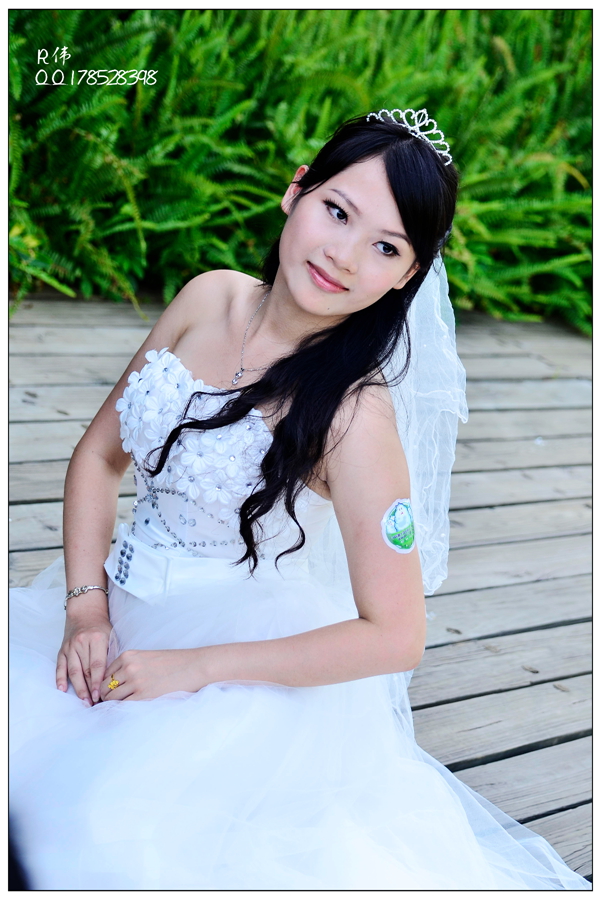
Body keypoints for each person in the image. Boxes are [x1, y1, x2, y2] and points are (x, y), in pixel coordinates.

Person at [9, 109, 590, 890]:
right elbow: (97, 455)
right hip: (112, 605)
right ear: (296, 191)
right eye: (337, 212)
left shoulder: (353, 415)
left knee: (96, 829)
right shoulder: (208, 297)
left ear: (407, 275)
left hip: (234, 657)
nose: (344, 255)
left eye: (385, 247)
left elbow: (396, 636)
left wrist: (195, 668)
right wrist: (86, 609)